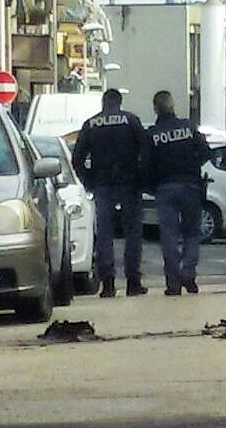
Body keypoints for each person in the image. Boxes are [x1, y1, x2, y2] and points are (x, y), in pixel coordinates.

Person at [71, 88, 151, 297]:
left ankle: (108, 283)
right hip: (129, 183)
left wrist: (89, 181)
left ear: (103, 103)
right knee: (132, 232)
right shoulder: (131, 121)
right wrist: (141, 177)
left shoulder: (91, 124)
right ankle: (133, 282)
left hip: (102, 183)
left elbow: (77, 158)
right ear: (120, 102)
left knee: (105, 234)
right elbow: (146, 150)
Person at [146, 90, 211, 296]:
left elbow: (145, 166)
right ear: (173, 106)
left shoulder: (153, 134)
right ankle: (189, 273)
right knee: (192, 232)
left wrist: (151, 185)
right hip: (191, 185)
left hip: (165, 188)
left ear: (156, 109)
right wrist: (192, 166)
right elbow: (206, 152)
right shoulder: (188, 128)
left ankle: (173, 282)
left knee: (169, 236)